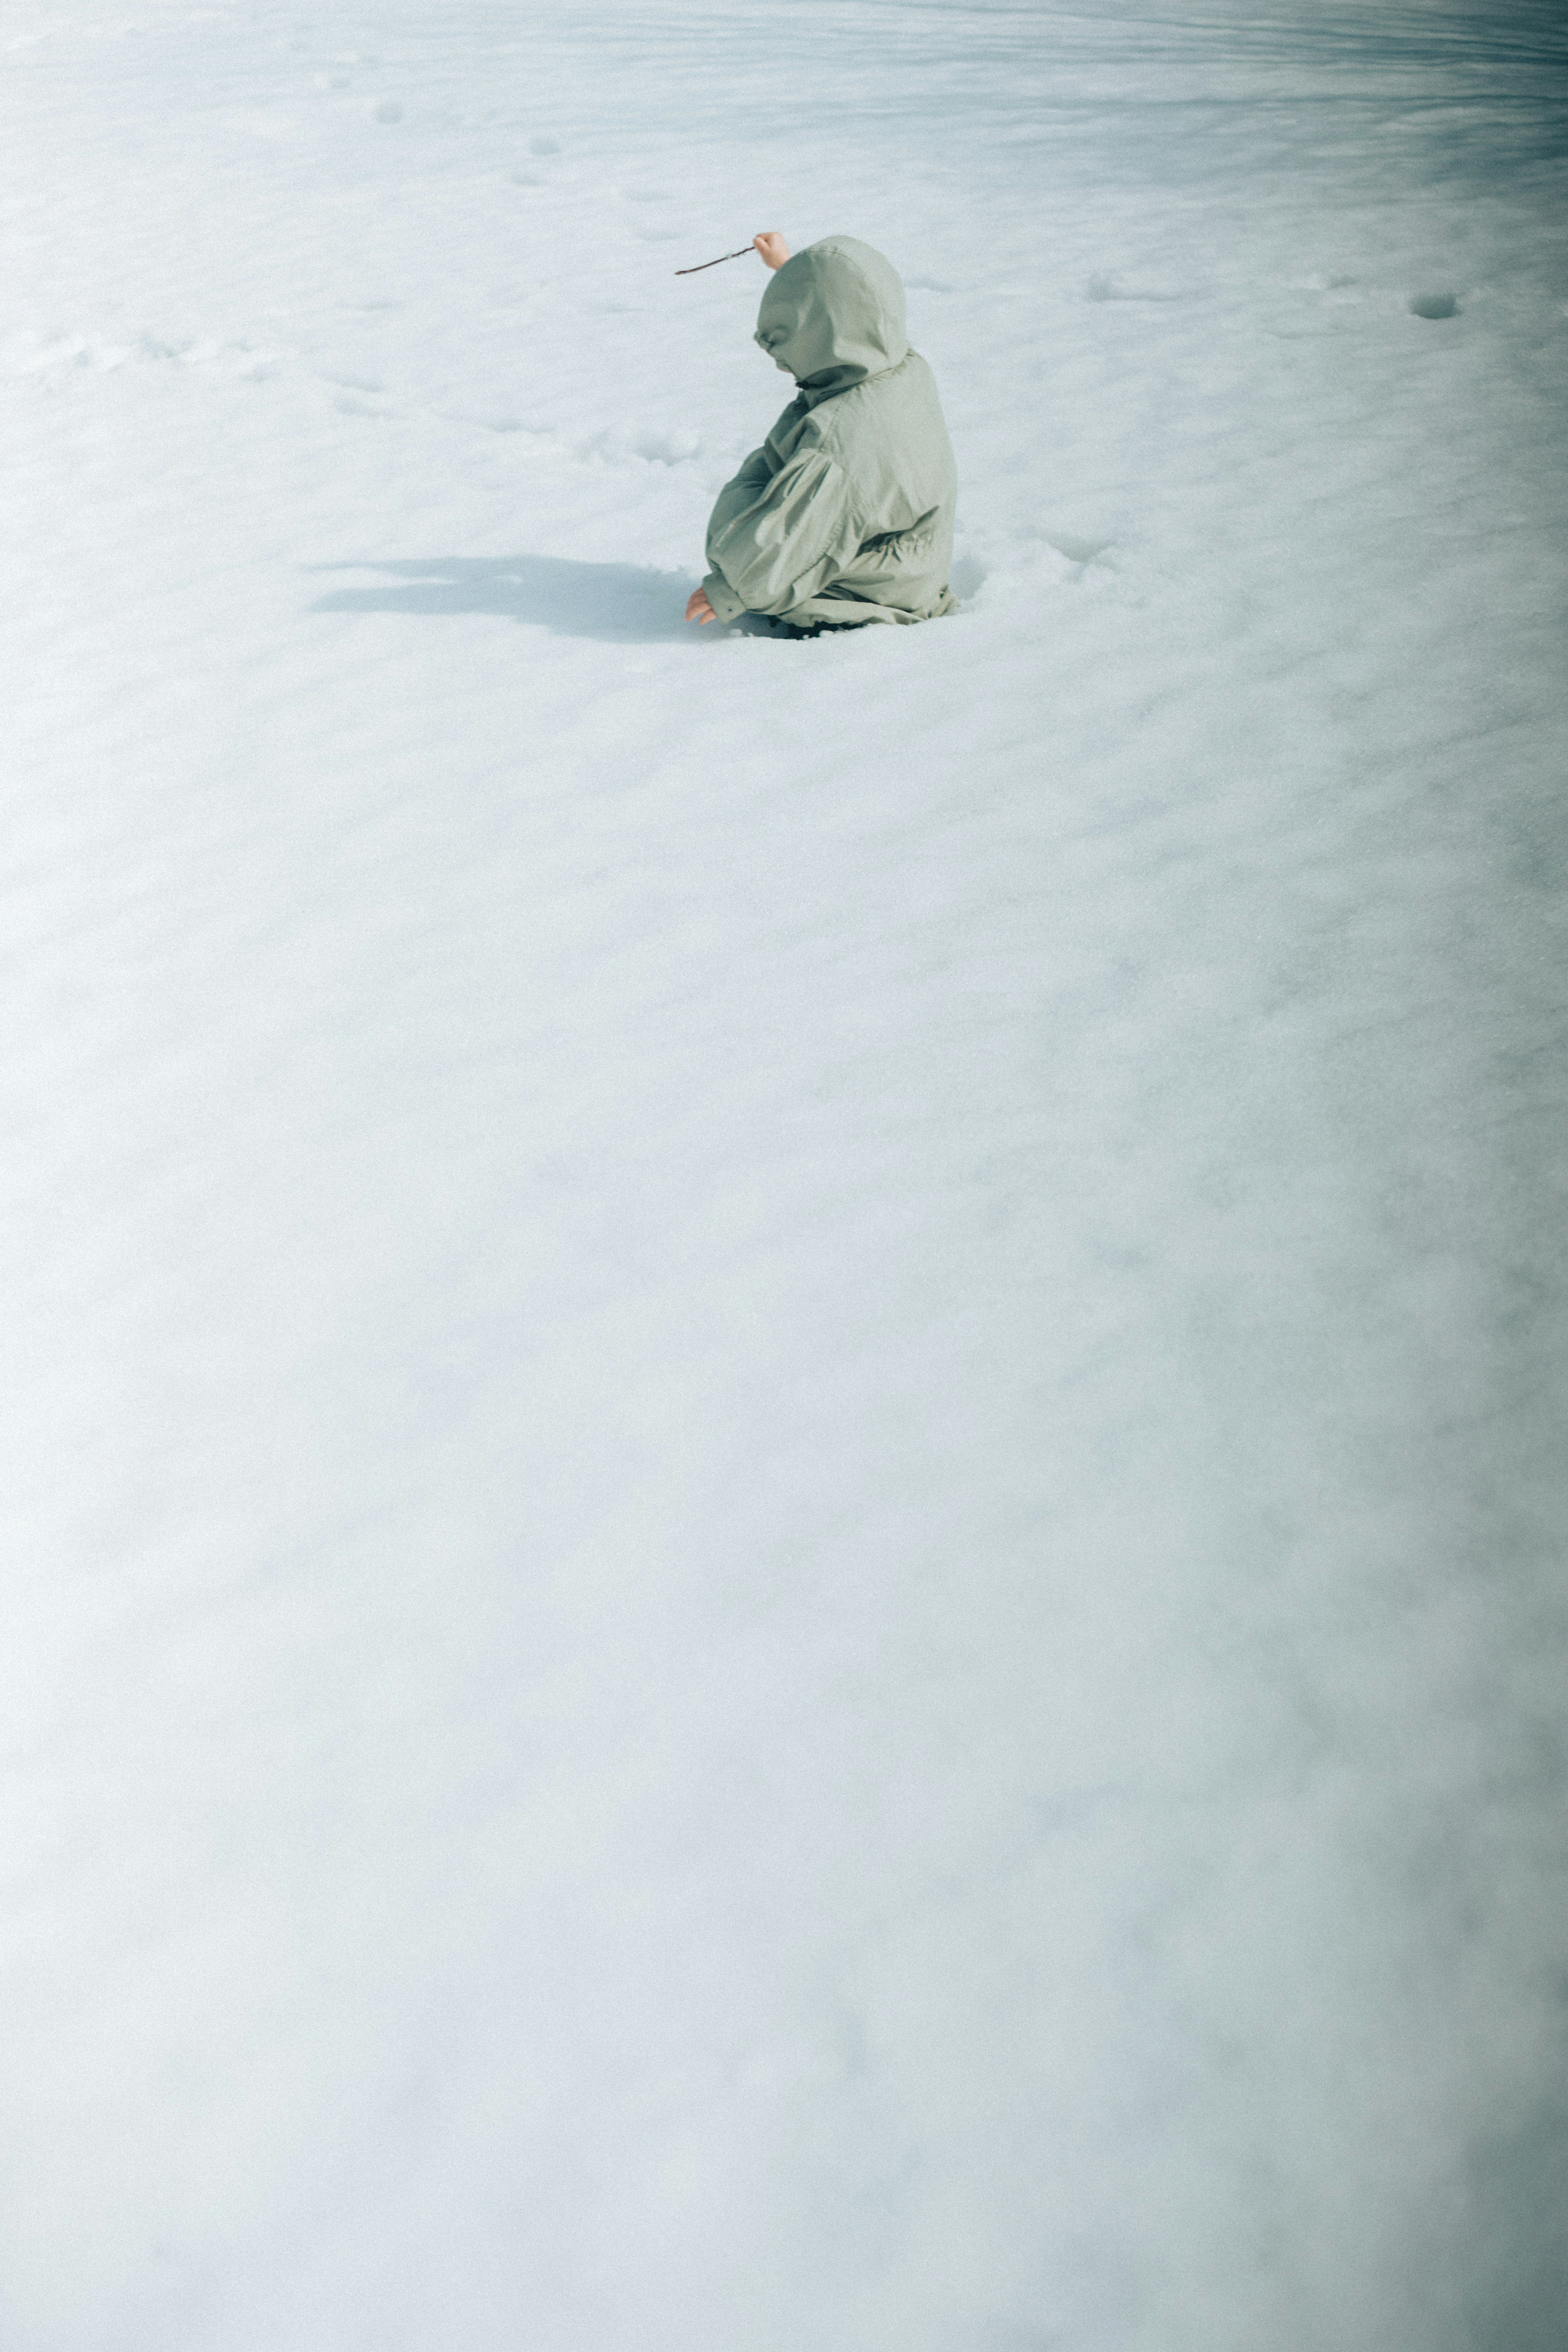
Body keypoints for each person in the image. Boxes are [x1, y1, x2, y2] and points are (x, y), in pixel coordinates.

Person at [686, 233, 957, 634]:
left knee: (751, 503)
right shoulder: (899, 364)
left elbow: (790, 535)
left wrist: (731, 588)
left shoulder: (842, 443)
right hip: (912, 568)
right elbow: (847, 306)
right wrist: (789, 271)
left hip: (869, 595)